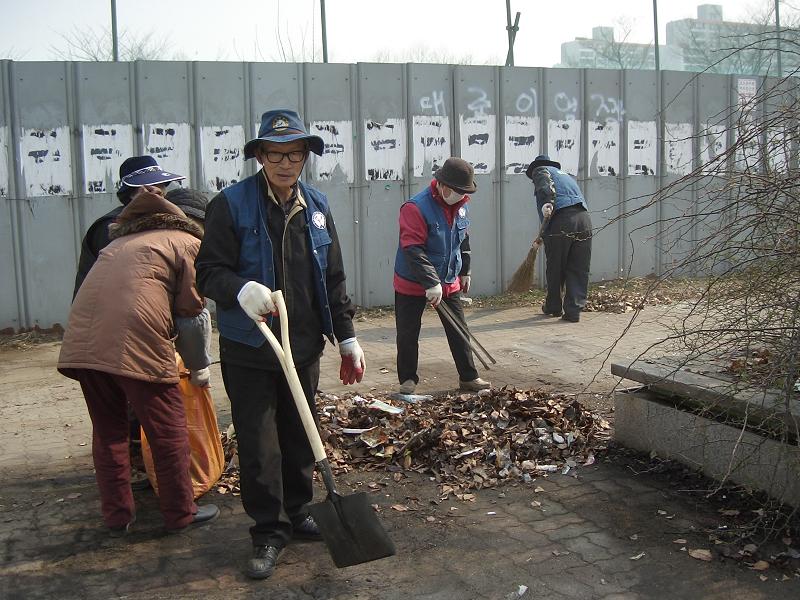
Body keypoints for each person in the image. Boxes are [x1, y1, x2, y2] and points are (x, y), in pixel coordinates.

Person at [195, 108, 365, 580]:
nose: (285, 163)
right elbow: (207, 271)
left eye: (294, 154)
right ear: (261, 156)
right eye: (275, 154)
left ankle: (300, 508)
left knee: (297, 436)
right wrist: (236, 290)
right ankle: (268, 531)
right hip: (251, 346)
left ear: (306, 157)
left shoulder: (317, 206)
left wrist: (347, 335)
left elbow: (333, 276)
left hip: (304, 344)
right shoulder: (230, 205)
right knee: (259, 443)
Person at [58, 166, 219, 536]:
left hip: (84, 345)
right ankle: (181, 513)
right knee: (168, 431)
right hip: (135, 344)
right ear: (195, 222)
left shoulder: (120, 241)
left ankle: (117, 518)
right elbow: (192, 318)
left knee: (109, 432)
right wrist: (200, 369)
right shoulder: (187, 243)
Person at [393, 157, 490, 395]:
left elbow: (463, 239)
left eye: (464, 192)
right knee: (408, 333)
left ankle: (469, 377)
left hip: (448, 281)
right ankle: (408, 380)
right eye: (457, 191)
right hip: (412, 282)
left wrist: (465, 269)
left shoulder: (461, 206)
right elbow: (412, 248)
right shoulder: (415, 208)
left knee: (459, 329)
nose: (461, 196)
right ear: (442, 185)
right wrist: (430, 281)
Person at [525, 154, 592, 323]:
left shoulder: (541, 170)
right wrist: (542, 236)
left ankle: (553, 306)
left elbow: (546, 189)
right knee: (578, 267)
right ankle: (573, 311)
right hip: (584, 220)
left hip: (562, 220)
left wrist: (546, 201)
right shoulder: (565, 176)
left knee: (556, 265)